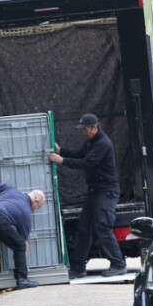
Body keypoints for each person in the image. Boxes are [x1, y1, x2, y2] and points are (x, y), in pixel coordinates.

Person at [48, 113, 127, 278]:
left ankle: (118, 264)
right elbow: (79, 154)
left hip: (107, 191)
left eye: (85, 129)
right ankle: (77, 268)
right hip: (95, 191)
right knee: (84, 229)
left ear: (95, 127)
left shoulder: (103, 143)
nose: (83, 132)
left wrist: (61, 160)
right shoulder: (91, 142)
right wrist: (61, 151)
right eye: (82, 129)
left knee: (103, 226)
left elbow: (87, 163)